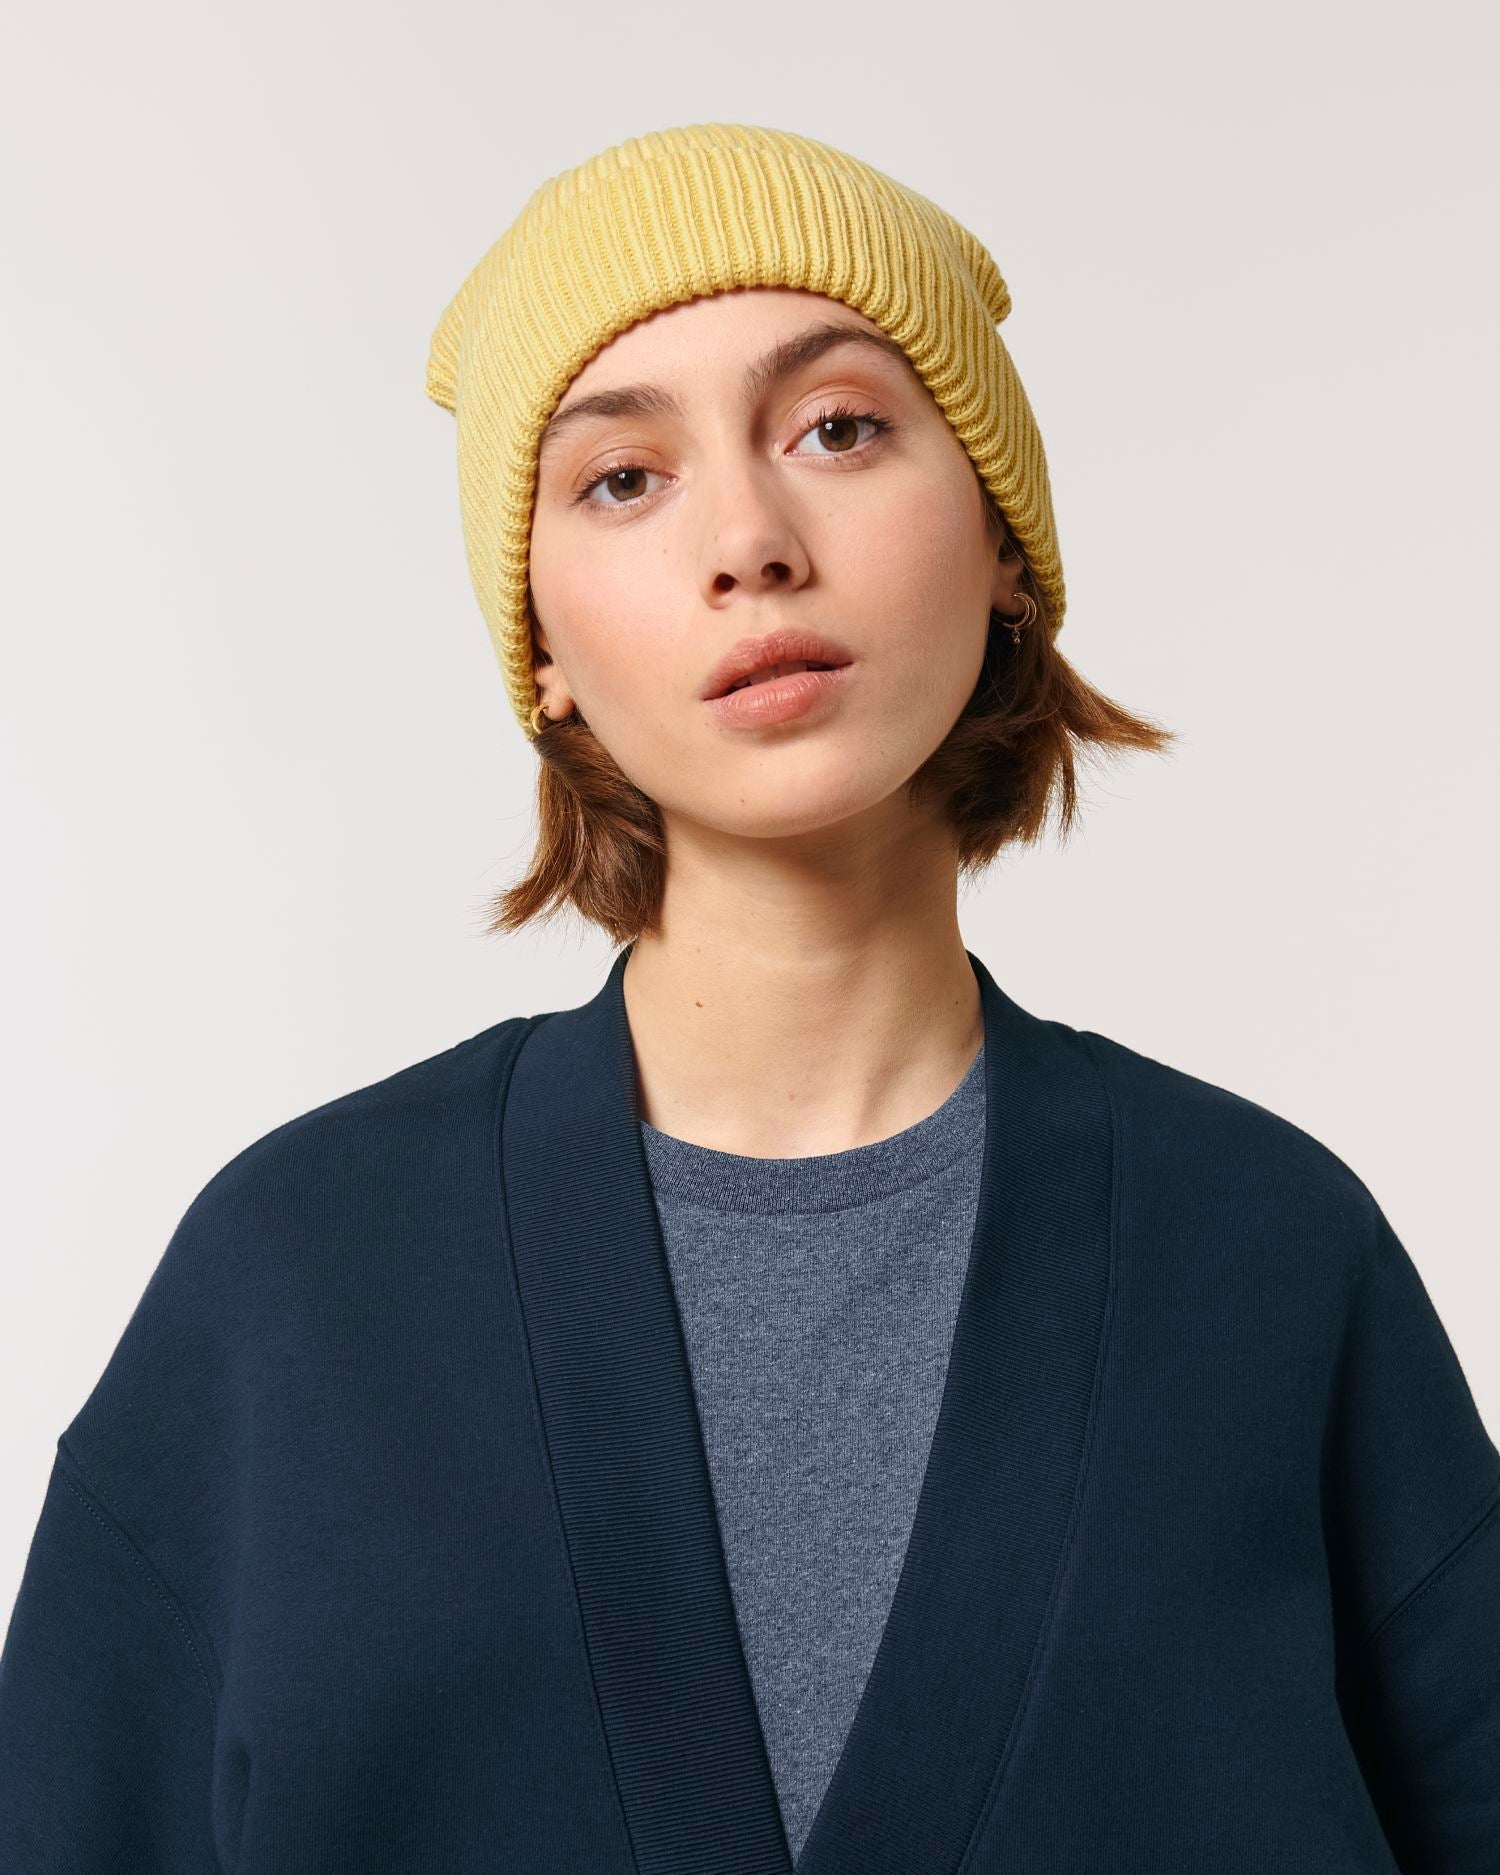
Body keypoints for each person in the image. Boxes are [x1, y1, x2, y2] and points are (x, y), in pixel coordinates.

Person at [1, 120, 1495, 1874]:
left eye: (839, 428)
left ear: (1005, 542)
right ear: (542, 649)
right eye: (621, 477)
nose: (750, 540)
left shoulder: (1269, 1256)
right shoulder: (296, 1283)